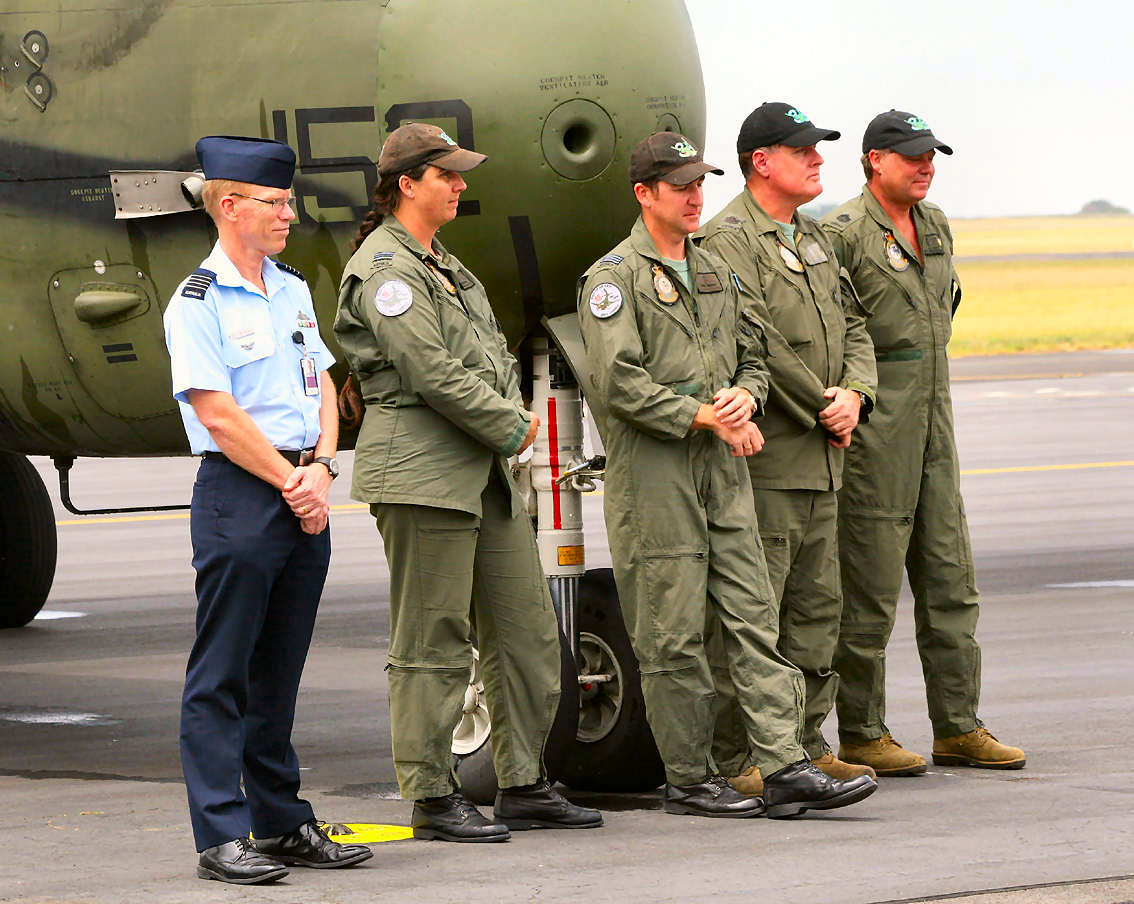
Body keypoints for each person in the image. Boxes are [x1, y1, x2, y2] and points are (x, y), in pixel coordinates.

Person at [577, 131, 877, 819]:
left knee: (753, 616)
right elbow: (619, 384)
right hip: (657, 477)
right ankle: (688, 776)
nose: (693, 196)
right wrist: (701, 415)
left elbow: (752, 353)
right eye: (678, 185)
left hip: (723, 471)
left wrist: (748, 396)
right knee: (673, 633)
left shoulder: (714, 270)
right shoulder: (613, 279)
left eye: (698, 183)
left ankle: (784, 764)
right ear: (643, 194)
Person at [333, 123, 602, 842]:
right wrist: (512, 425)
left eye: (459, 174)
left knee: (526, 636)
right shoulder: (385, 269)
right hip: (425, 474)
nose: (459, 184)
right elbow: (430, 371)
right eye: (446, 174)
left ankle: (523, 782)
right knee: (432, 641)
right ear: (406, 183)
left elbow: (481, 355)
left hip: (482, 473)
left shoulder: (444, 264)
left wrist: (502, 429)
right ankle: (430, 793)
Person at [163, 136, 372, 884]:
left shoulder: (291, 289)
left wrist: (320, 468)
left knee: (277, 673)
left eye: (288, 201)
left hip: (300, 491)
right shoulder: (197, 301)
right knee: (221, 672)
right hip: (242, 494)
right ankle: (221, 834)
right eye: (275, 202)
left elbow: (321, 385)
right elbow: (218, 413)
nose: (290, 213)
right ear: (229, 207)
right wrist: (293, 480)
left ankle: (280, 821)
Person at [820, 111, 1026, 775]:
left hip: (937, 428)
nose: (925, 165)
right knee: (870, 588)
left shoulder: (935, 225)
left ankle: (959, 725)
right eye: (911, 156)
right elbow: (835, 333)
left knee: (950, 579)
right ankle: (861, 731)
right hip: (878, 432)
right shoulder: (842, 233)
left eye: (930, 154)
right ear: (875, 160)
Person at [697, 102, 878, 794]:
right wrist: (823, 403)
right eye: (803, 150)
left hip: (825, 463)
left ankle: (805, 741)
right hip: (770, 464)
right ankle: (739, 755)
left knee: (815, 615)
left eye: (818, 150)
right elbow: (755, 340)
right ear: (762, 161)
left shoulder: (813, 238)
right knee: (754, 617)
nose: (818, 160)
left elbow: (855, 322)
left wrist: (856, 392)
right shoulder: (728, 241)